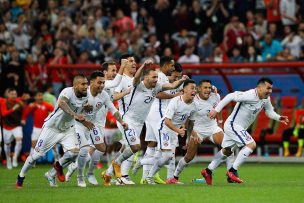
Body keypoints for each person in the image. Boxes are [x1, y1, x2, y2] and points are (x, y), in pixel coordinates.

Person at [110, 59, 188, 184]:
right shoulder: (138, 85)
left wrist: (182, 80)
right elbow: (136, 78)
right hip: (129, 119)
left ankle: (111, 172)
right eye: (153, 77)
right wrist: (143, 66)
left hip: (140, 122)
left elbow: (173, 86)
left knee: (138, 146)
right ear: (145, 78)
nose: (156, 80)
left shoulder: (157, 86)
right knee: (138, 146)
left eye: (157, 77)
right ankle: (122, 170)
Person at [202, 77, 289, 185]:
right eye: (268, 88)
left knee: (227, 150)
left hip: (238, 127)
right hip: (233, 125)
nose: (270, 91)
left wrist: (279, 117)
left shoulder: (266, 98)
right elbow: (230, 96)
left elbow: (269, 111)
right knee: (251, 144)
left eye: (271, 89)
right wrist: (216, 110)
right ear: (259, 87)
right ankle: (232, 171)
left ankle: (207, 171)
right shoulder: (249, 95)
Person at [16, 74, 94, 188]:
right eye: (83, 84)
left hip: (67, 129)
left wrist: (85, 121)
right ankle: (21, 177)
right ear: (75, 86)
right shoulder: (67, 92)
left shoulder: (85, 97)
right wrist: (74, 114)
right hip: (51, 128)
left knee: (74, 152)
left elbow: (78, 115)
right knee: (36, 156)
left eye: (86, 83)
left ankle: (53, 172)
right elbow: (62, 103)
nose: (86, 86)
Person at [171, 80, 234, 183]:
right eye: (205, 88)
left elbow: (218, 109)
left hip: (212, 127)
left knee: (229, 147)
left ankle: (230, 176)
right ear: (198, 89)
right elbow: (187, 121)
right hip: (197, 130)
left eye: (209, 88)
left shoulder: (215, 96)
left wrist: (220, 123)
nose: (208, 90)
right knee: (189, 157)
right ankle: (175, 177)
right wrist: (190, 136)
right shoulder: (192, 100)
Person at [73, 71, 128, 187]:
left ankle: (90, 173)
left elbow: (113, 110)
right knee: (83, 151)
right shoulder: (83, 92)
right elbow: (72, 106)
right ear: (91, 82)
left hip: (92, 125)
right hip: (78, 124)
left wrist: (122, 122)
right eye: (100, 83)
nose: (102, 85)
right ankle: (79, 177)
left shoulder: (104, 95)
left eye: (103, 83)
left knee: (102, 148)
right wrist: (82, 107)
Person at [145, 80, 197, 184]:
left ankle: (165, 178)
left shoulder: (194, 105)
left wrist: (188, 138)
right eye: (192, 88)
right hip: (164, 128)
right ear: (184, 90)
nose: (194, 91)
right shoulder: (176, 101)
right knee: (167, 157)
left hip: (174, 131)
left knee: (167, 157)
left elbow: (191, 123)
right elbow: (167, 121)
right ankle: (147, 171)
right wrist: (178, 130)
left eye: (195, 88)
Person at [137, 57, 179, 184]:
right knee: (168, 146)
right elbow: (157, 94)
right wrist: (174, 96)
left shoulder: (161, 76)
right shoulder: (159, 76)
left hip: (151, 112)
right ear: (166, 65)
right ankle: (169, 177)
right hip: (158, 113)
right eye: (172, 66)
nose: (173, 68)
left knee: (153, 144)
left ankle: (145, 177)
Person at [21, 91, 54, 158]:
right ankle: (30, 161)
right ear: (35, 97)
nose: (40, 97)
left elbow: (55, 111)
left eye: (41, 95)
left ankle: (57, 160)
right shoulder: (32, 106)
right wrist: (23, 119)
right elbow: (25, 114)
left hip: (46, 128)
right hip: (36, 128)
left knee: (53, 145)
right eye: (38, 95)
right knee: (33, 145)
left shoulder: (47, 105)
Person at [1, 88, 24, 169]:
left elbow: (24, 111)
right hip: (6, 127)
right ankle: (8, 159)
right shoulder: (5, 102)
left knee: (19, 140)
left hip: (16, 126)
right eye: (12, 94)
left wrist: (23, 119)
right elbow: (3, 114)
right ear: (8, 95)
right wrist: (13, 109)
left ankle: (15, 158)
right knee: (7, 145)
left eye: (15, 94)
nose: (14, 95)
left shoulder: (19, 103)